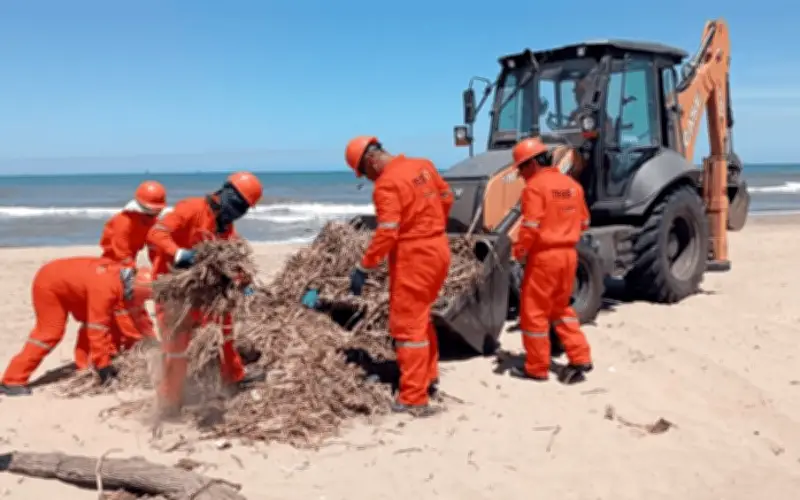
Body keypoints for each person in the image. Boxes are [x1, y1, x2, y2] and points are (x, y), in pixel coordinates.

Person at [344, 136, 453, 415]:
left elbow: (387, 232)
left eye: (364, 173)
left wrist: (364, 267)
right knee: (421, 317)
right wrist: (432, 224)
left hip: (414, 256)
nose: (368, 179)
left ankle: (414, 397)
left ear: (370, 161)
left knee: (407, 327)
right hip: (438, 248)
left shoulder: (386, 185)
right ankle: (428, 376)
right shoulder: (423, 165)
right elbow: (446, 197)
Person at [146, 171, 266, 414]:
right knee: (177, 347)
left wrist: (243, 282)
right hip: (174, 290)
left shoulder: (226, 227)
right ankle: (169, 402)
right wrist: (178, 254)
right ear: (225, 193)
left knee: (224, 329)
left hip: (204, 293)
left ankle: (233, 377)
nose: (238, 211)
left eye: (244, 208)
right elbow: (156, 233)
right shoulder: (190, 208)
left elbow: (229, 260)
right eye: (237, 204)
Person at [0, 258, 154, 396]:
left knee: (96, 320)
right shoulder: (105, 290)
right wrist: (104, 368)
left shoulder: (128, 279)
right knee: (49, 333)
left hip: (75, 284)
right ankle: (11, 380)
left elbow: (138, 317)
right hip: (50, 284)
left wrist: (154, 344)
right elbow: (97, 329)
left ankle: (85, 366)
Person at [510, 137, 593, 384]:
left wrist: (520, 252)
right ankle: (580, 357)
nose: (521, 175)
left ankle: (536, 368)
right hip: (569, 254)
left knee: (533, 313)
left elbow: (531, 226)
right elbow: (584, 222)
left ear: (532, 164)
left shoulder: (535, 188)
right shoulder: (571, 186)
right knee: (562, 309)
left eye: (522, 169)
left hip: (545, 257)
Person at [73, 267, 158, 371]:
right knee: (95, 330)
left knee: (117, 328)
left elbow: (141, 317)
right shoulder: (123, 292)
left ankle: (111, 355)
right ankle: (85, 365)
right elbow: (127, 325)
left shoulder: (137, 286)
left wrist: (151, 339)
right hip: (92, 300)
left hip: (114, 294)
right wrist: (145, 342)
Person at [100, 180, 168, 267]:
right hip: (111, 264)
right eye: (155, 210)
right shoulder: (123, 221)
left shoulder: (152, 222)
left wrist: (159, 269)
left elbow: (154, 250)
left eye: (158, 210)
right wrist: (132, 268)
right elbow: (121, 252)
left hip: (130, 260)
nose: (157, 212)